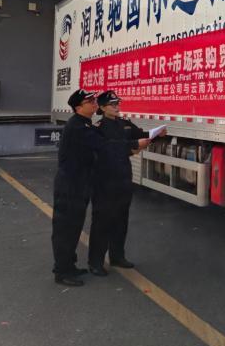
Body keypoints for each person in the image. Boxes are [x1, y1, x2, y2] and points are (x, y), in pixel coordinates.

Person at [52, 89, 150, 286]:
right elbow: (105, 146)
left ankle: (69, 266)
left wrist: (135, 144)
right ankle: (63, 272)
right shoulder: (79, 127)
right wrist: (133, 144)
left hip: (82, 185)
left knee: (74, 227)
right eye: (89, 101)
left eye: (93, 100)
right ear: (78, 107)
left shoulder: (86, 124)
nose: (93, 103)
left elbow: (110, 145)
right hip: (71, 186)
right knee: (66, 229)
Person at [87, 91, 162, 276]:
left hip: (123, 179)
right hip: (105, 181)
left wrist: (158, 134)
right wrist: (133, 144)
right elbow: (107, 149)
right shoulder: (98, 128)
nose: (116, 107)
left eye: (117, 103)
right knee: (102, 222)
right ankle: (95, 262)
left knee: (121, 219)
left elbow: (141, 135)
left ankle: (117, 256)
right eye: (112, 104)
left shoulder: (124, 123)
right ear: (102, 107)